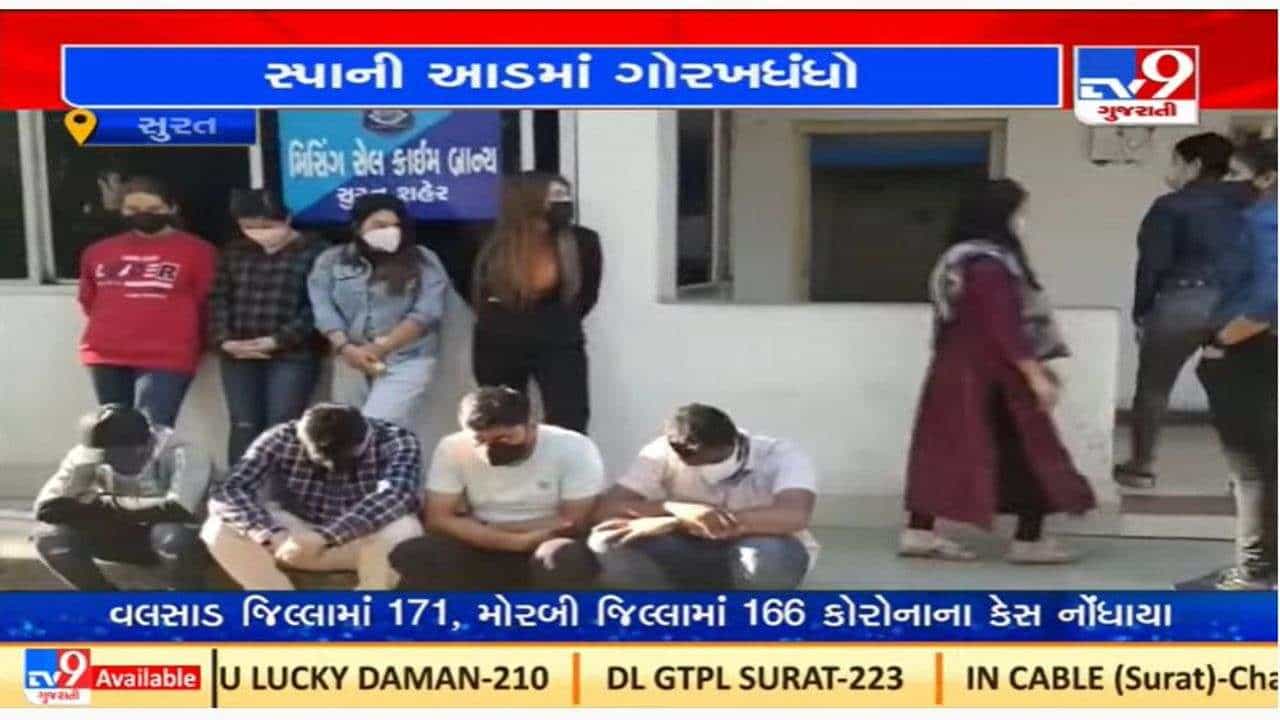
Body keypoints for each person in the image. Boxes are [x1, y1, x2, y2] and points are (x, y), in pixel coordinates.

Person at [900, 179, 1096, 564]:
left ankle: (919, 532)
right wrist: (1034, 373)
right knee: (1031, 454)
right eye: (1019, 212)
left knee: (946, 451)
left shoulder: (957, 259)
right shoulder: (989, 266)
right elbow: (1004, 326)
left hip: (955, 371)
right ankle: (1028, 540)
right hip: (994, 377)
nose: (1023, 221)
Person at [1115, 133, 1254, 488]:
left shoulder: (1170, 206)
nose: (1172, 170)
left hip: (1182, 301)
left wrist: (1142, 312)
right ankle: (1247, 475)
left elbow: (1152, 265)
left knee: (1154, 388)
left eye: (1175, 162)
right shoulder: (1252, 202)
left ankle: (1141, 467)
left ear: (1194, 165)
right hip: (1237, 306)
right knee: (1242, 392)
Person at [390, 386, 603, 590]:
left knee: (562, 557)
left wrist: (491, 528)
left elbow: (573, 521)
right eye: (480, 440)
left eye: (504, 437)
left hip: (545, 539)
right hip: (480, 541)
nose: (491, 447)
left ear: (531, 425)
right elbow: (438, 519)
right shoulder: (453, 448)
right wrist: (515, 542)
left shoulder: (573, 447)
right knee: (417, 553)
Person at [589, 403, 818, 590]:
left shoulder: (780, 455)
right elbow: (607, 508)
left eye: (717, 460)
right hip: (685, 547)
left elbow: (794, 515)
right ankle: (666, 609)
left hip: (756, 542)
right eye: (696, 463)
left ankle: (742, 611)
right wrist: (673, 507)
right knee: (607, 539)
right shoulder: (661, 452)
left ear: (735, 440)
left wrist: (678, 521)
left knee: (766, 561)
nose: (709, 469)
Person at [200, 403, 424, 590]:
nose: (332, 466)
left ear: (365, 437)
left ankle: (367, 612)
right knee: (217, 528)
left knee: (404, 529)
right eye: (321, 459)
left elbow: (397, 495)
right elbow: (229, 491)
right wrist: (270, 534)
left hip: (359, 539)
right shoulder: (281, 436)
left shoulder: (397, 440)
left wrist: (325, 536)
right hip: (293, 536)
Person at [1197, 137, 1277, 590]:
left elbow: (1269, 300)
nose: (1225, 182)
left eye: (1234, 174)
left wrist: (1221, 341)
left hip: (1248, 351)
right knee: (1264, 462)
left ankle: (1255, 570)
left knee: (1250, 468)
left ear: (1267, 178)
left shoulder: (1263, 221)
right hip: (1258, 348)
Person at [77, 176, 217, 427]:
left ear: (172, 208)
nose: (143, 215)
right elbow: (89, 299)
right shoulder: (98, 251)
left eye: (153, 209)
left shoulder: (199, 251)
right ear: (121, 210)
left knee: (153, 430)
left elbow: (207, 301)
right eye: (132, 209)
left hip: (167, 355)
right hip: (106, 353)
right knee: (115, 432)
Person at [471, 172, 603, 433]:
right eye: (555, 195)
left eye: (566, 194)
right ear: (528, 199)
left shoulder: (583, 241)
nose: (564, 201)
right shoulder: (489, 242)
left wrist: (555, 319)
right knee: (499, 420)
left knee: (570, 419)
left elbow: (586, 294)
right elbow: (473, 288)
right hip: (498, 340)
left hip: (560, 340)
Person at [308, 194, 449, 434]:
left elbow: (426, 313)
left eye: (396, 226)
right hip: (351, 359)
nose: (390, 232)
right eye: (379, 225)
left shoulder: (423, 259)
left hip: (406, 357)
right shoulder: (331, 260)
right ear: (358, 226)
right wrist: (345, 348)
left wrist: (381, 348)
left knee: (377, 428)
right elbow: (323, 308)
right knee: (348, 433)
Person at [31, 404, 213, 590]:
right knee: (50, 537)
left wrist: (105, 505)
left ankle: (187, 599)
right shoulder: (86, 455)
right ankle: (105, 599)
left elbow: (180, 509)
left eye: (118, 455)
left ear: (147, 444)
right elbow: (46, 508)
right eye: (105, 456)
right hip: (119, 534)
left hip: (176, 540)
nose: (110, 463)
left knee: (172, 536)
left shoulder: (184, 451)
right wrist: (98, 501)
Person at [208, 189, 326, 465]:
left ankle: (280, 487)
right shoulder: (235, 252)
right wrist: (224, 340)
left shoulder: (317, 252)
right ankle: (241, 485)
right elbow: (218, 298)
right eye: (249, 227)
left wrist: (277, 340)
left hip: (292, 354)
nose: (259, 233)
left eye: (267, 226)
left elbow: (318, 308)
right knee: (243, 424)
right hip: (237, 353)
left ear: (287, 218)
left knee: (283, 425)